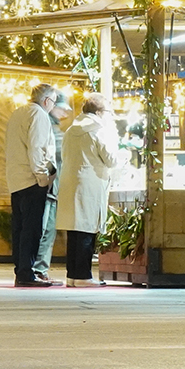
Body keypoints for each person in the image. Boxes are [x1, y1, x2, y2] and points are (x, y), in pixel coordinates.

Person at [56, 93, 116, 287]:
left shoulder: (71, 129)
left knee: (75, 229)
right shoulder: (98, 130)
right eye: (108, 111)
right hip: (90, 183)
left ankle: (72, 274)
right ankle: (83, 276)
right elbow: (110, 159)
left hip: (70, 181)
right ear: (99, 112)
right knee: (86, 229)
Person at [5, 84, 59, 287]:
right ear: (46, 101)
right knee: (32, 229)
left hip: (16, 180)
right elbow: (37, 148)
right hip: (31, 180)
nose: (53, 107)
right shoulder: (39, 115)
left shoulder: (18, 112)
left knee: (19, 229)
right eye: (53, 102)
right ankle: (27, 273)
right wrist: (43, 178)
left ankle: (21, 271)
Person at [34, 93, 71, 281]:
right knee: (46, 229)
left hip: (48, 185)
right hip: (49, 186)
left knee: (45, 228)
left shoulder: (49, 125)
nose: (64, 112)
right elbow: (53, 154)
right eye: (61, 107)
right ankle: (38, 269)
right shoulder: (51, 128)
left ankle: (38, 268)